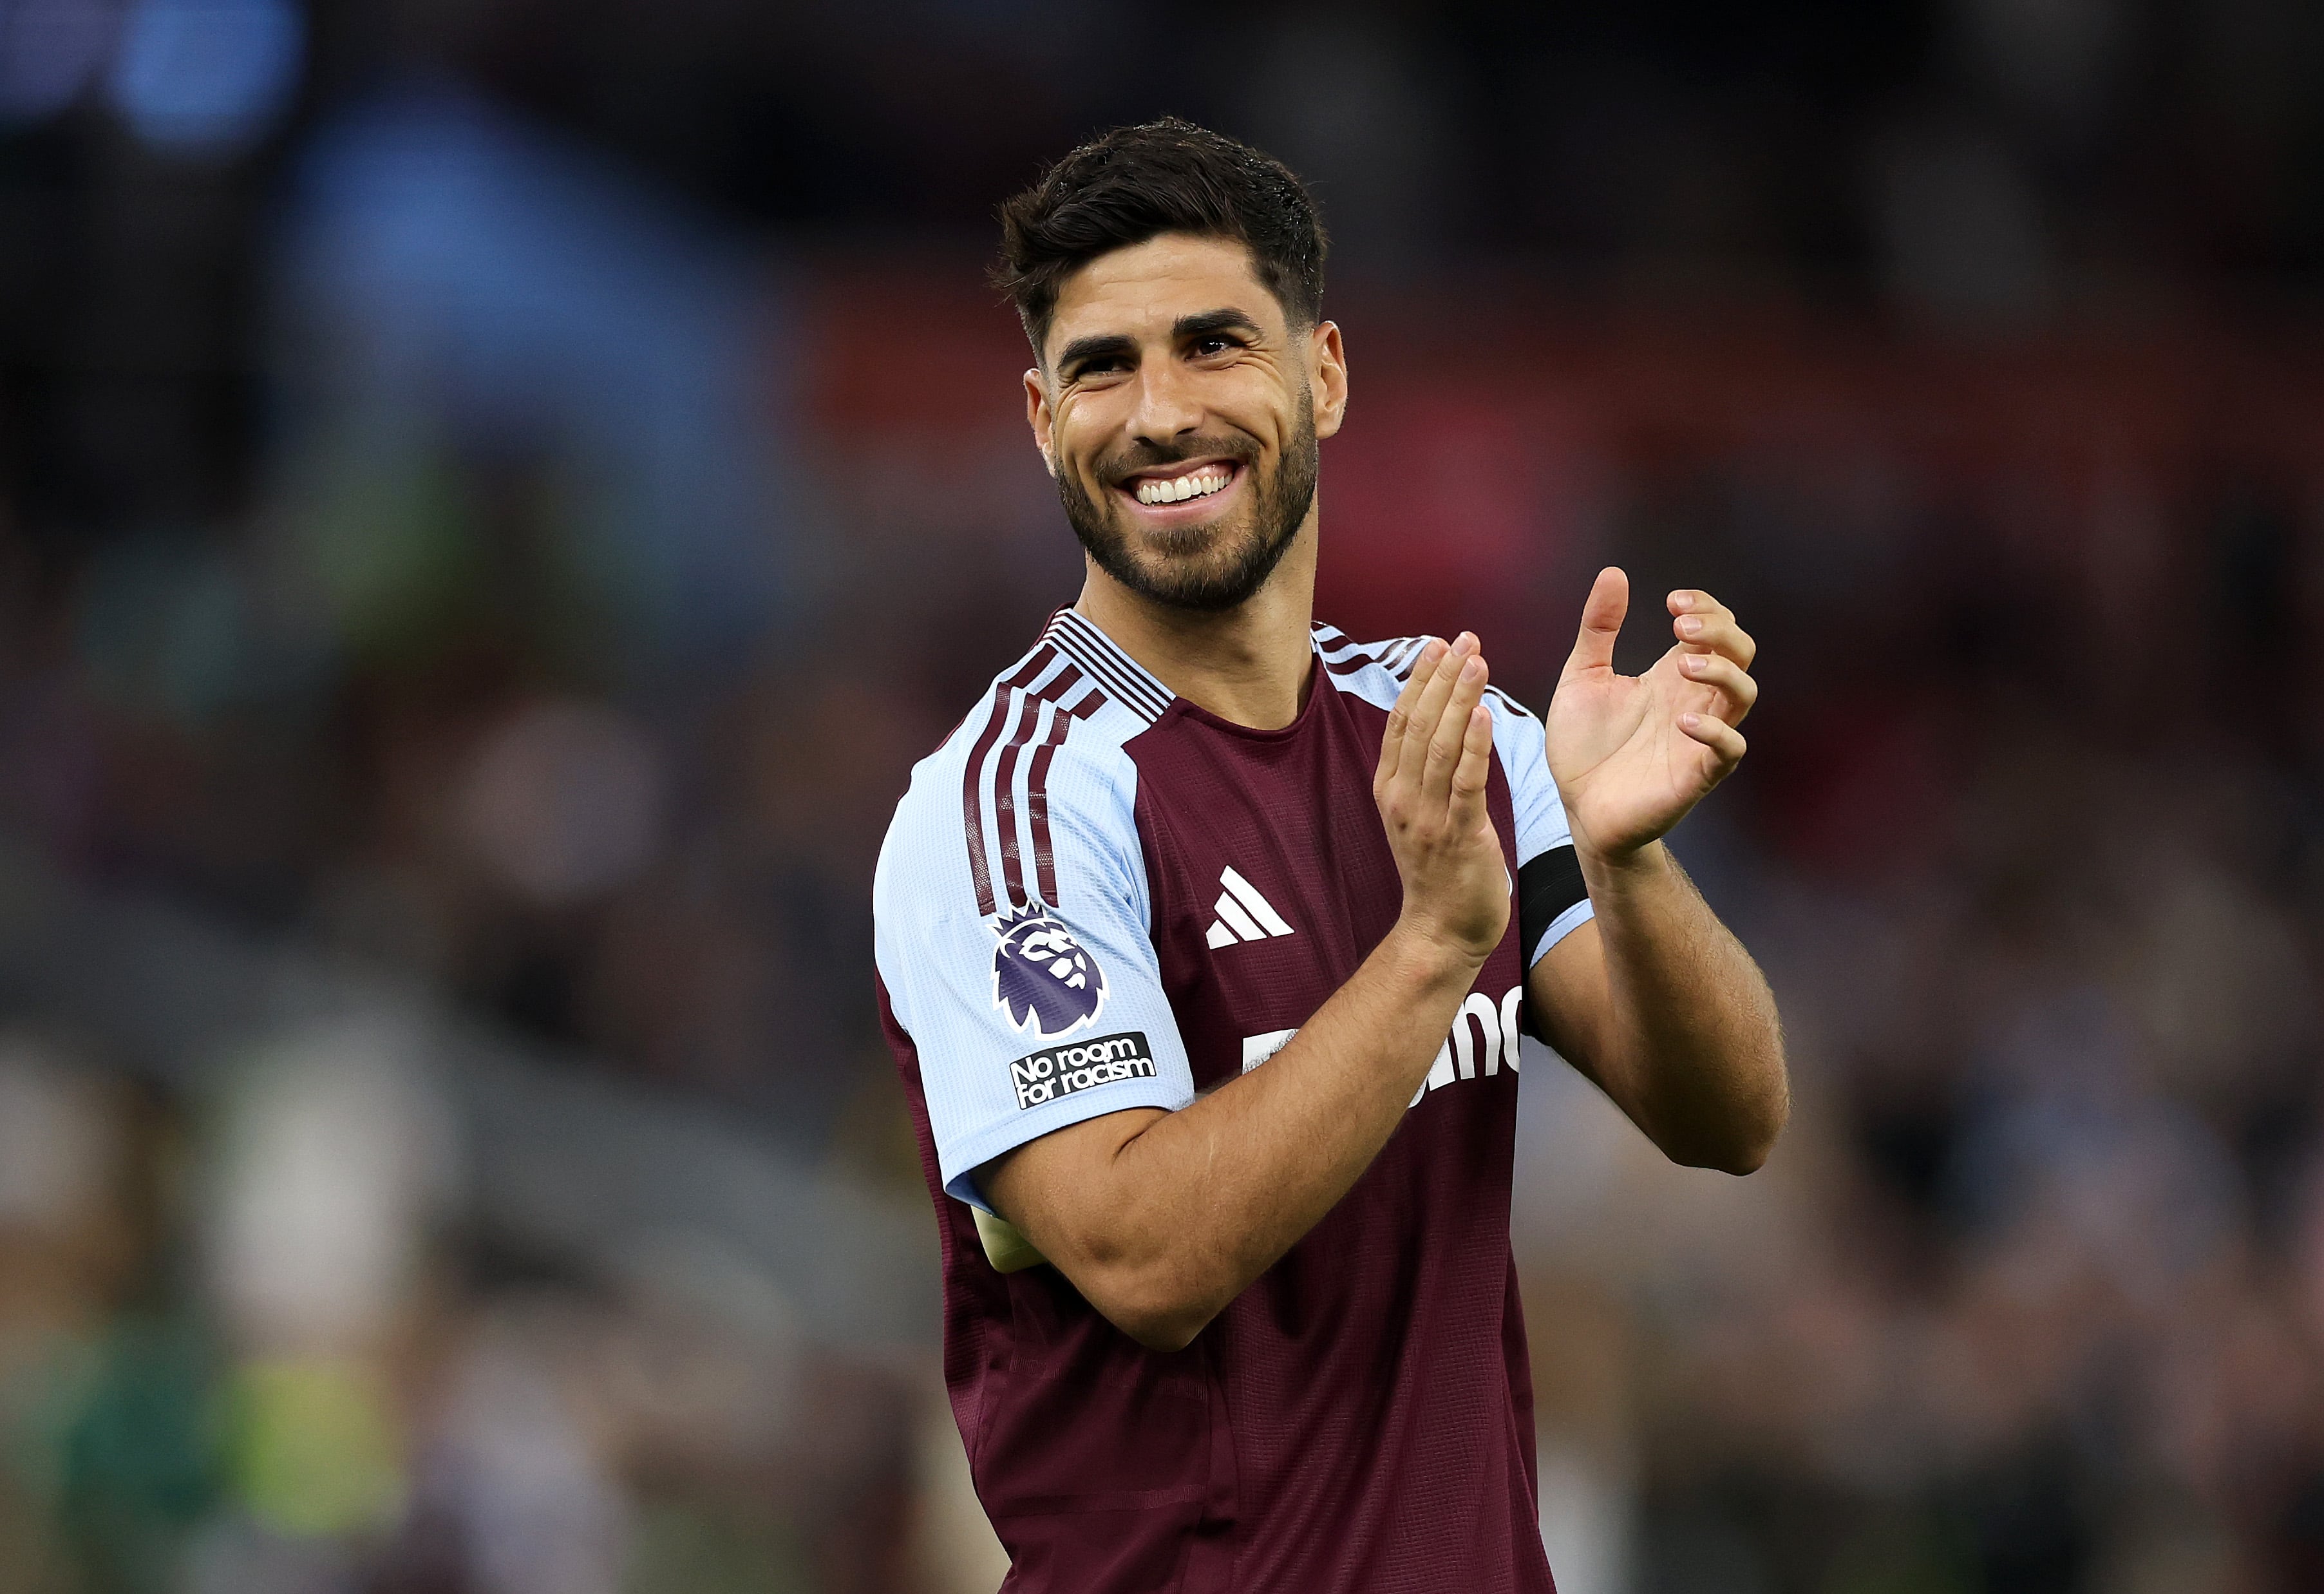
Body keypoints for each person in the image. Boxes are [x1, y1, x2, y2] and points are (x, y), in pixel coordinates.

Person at [873, 117, 1787, 1592]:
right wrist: (1431, 946)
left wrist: (1625, 863)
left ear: (1324, 374)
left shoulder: (1449, 729)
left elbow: (1729, 1111)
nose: (1159, 412)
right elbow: (1142, 1260)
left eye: (1212, 343)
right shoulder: (1017, 802)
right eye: (1101, 367)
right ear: (1042, 420)